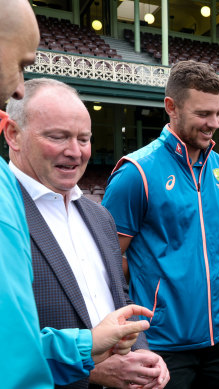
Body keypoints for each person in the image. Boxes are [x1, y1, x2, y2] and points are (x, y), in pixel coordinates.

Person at [0, 1, 153, 387]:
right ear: (13, 135)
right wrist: (96, 370)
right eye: (58, 137)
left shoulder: (100, 216)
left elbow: (119, 307)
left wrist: (143, 355)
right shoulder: (7, 209)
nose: (76, 150)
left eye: (84, 138)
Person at [102, 60, 219, 389]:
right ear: (171, 107)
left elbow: (213, 248)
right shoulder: (136, 173)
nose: (214, 123)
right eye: (203, 114)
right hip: (160, 345)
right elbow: (106, 264)